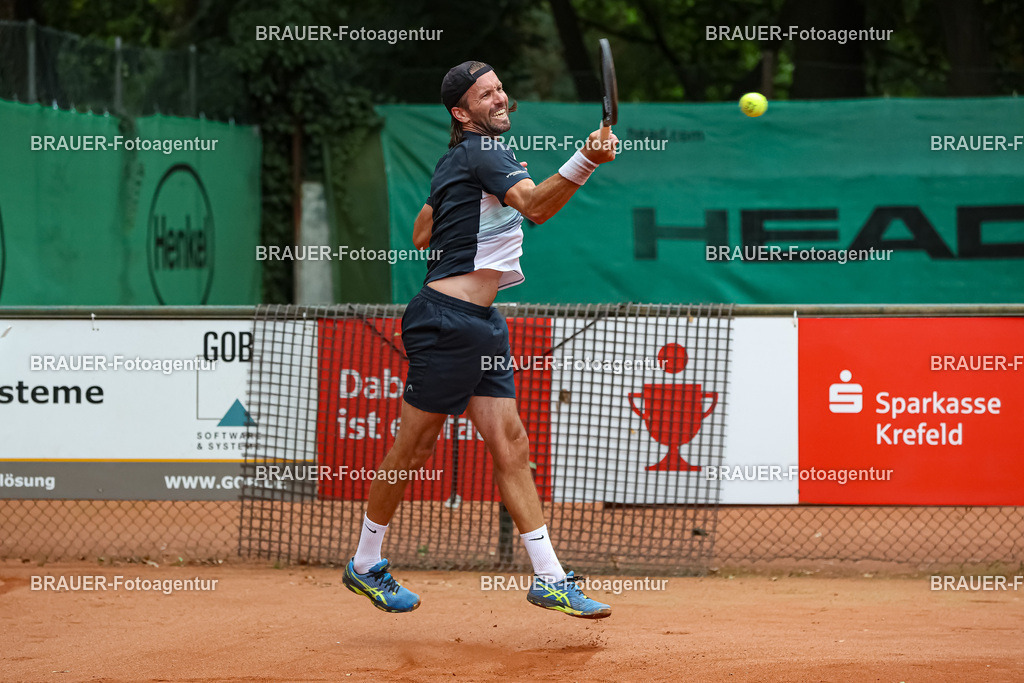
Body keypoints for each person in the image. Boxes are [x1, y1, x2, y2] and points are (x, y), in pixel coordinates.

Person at [343, 60, 618, 618]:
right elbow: (536, 207)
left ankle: (549, 578)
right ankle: (365, 563)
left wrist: (462, 204)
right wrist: (587, 159)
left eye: (499, 89)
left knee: (511, 445)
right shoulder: (482, 152)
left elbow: (423, 232)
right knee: (414, 449)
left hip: (483, 322)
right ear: (460, 112)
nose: (498, 98)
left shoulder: (460, 160)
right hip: (447, 320)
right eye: (484, 94)